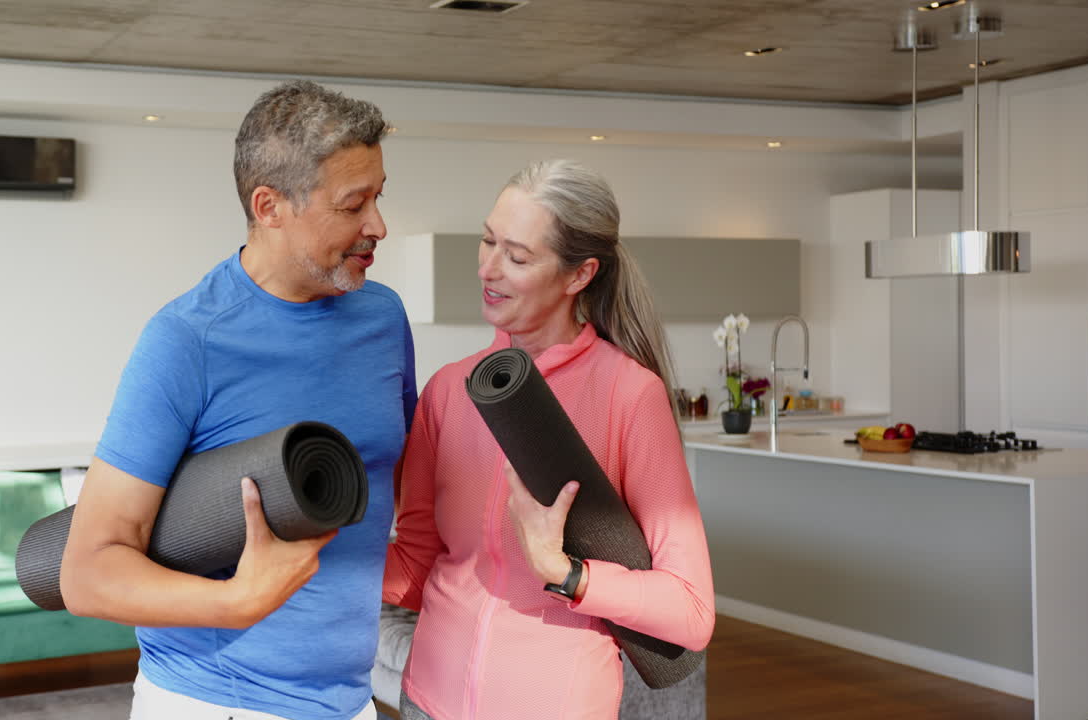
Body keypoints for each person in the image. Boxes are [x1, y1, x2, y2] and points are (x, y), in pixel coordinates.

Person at [60, 80, 416, 720]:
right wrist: (240, 601)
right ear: (270, 205)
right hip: (216, 702)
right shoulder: (187, 340)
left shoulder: (383, 319)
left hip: (350, 699)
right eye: (353, 205)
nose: (378, 227)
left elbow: (401, 480)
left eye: (378, 198)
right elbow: (87, 572)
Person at [383, 159, 715, 720]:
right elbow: (415, 566)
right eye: (486, 242)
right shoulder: (448, 391)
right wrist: (317, 552)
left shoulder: (630, 397)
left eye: (517, 256)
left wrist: (567, 574)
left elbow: (691, 610)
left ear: (579, 275)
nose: (489, 268)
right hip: (427, 702)